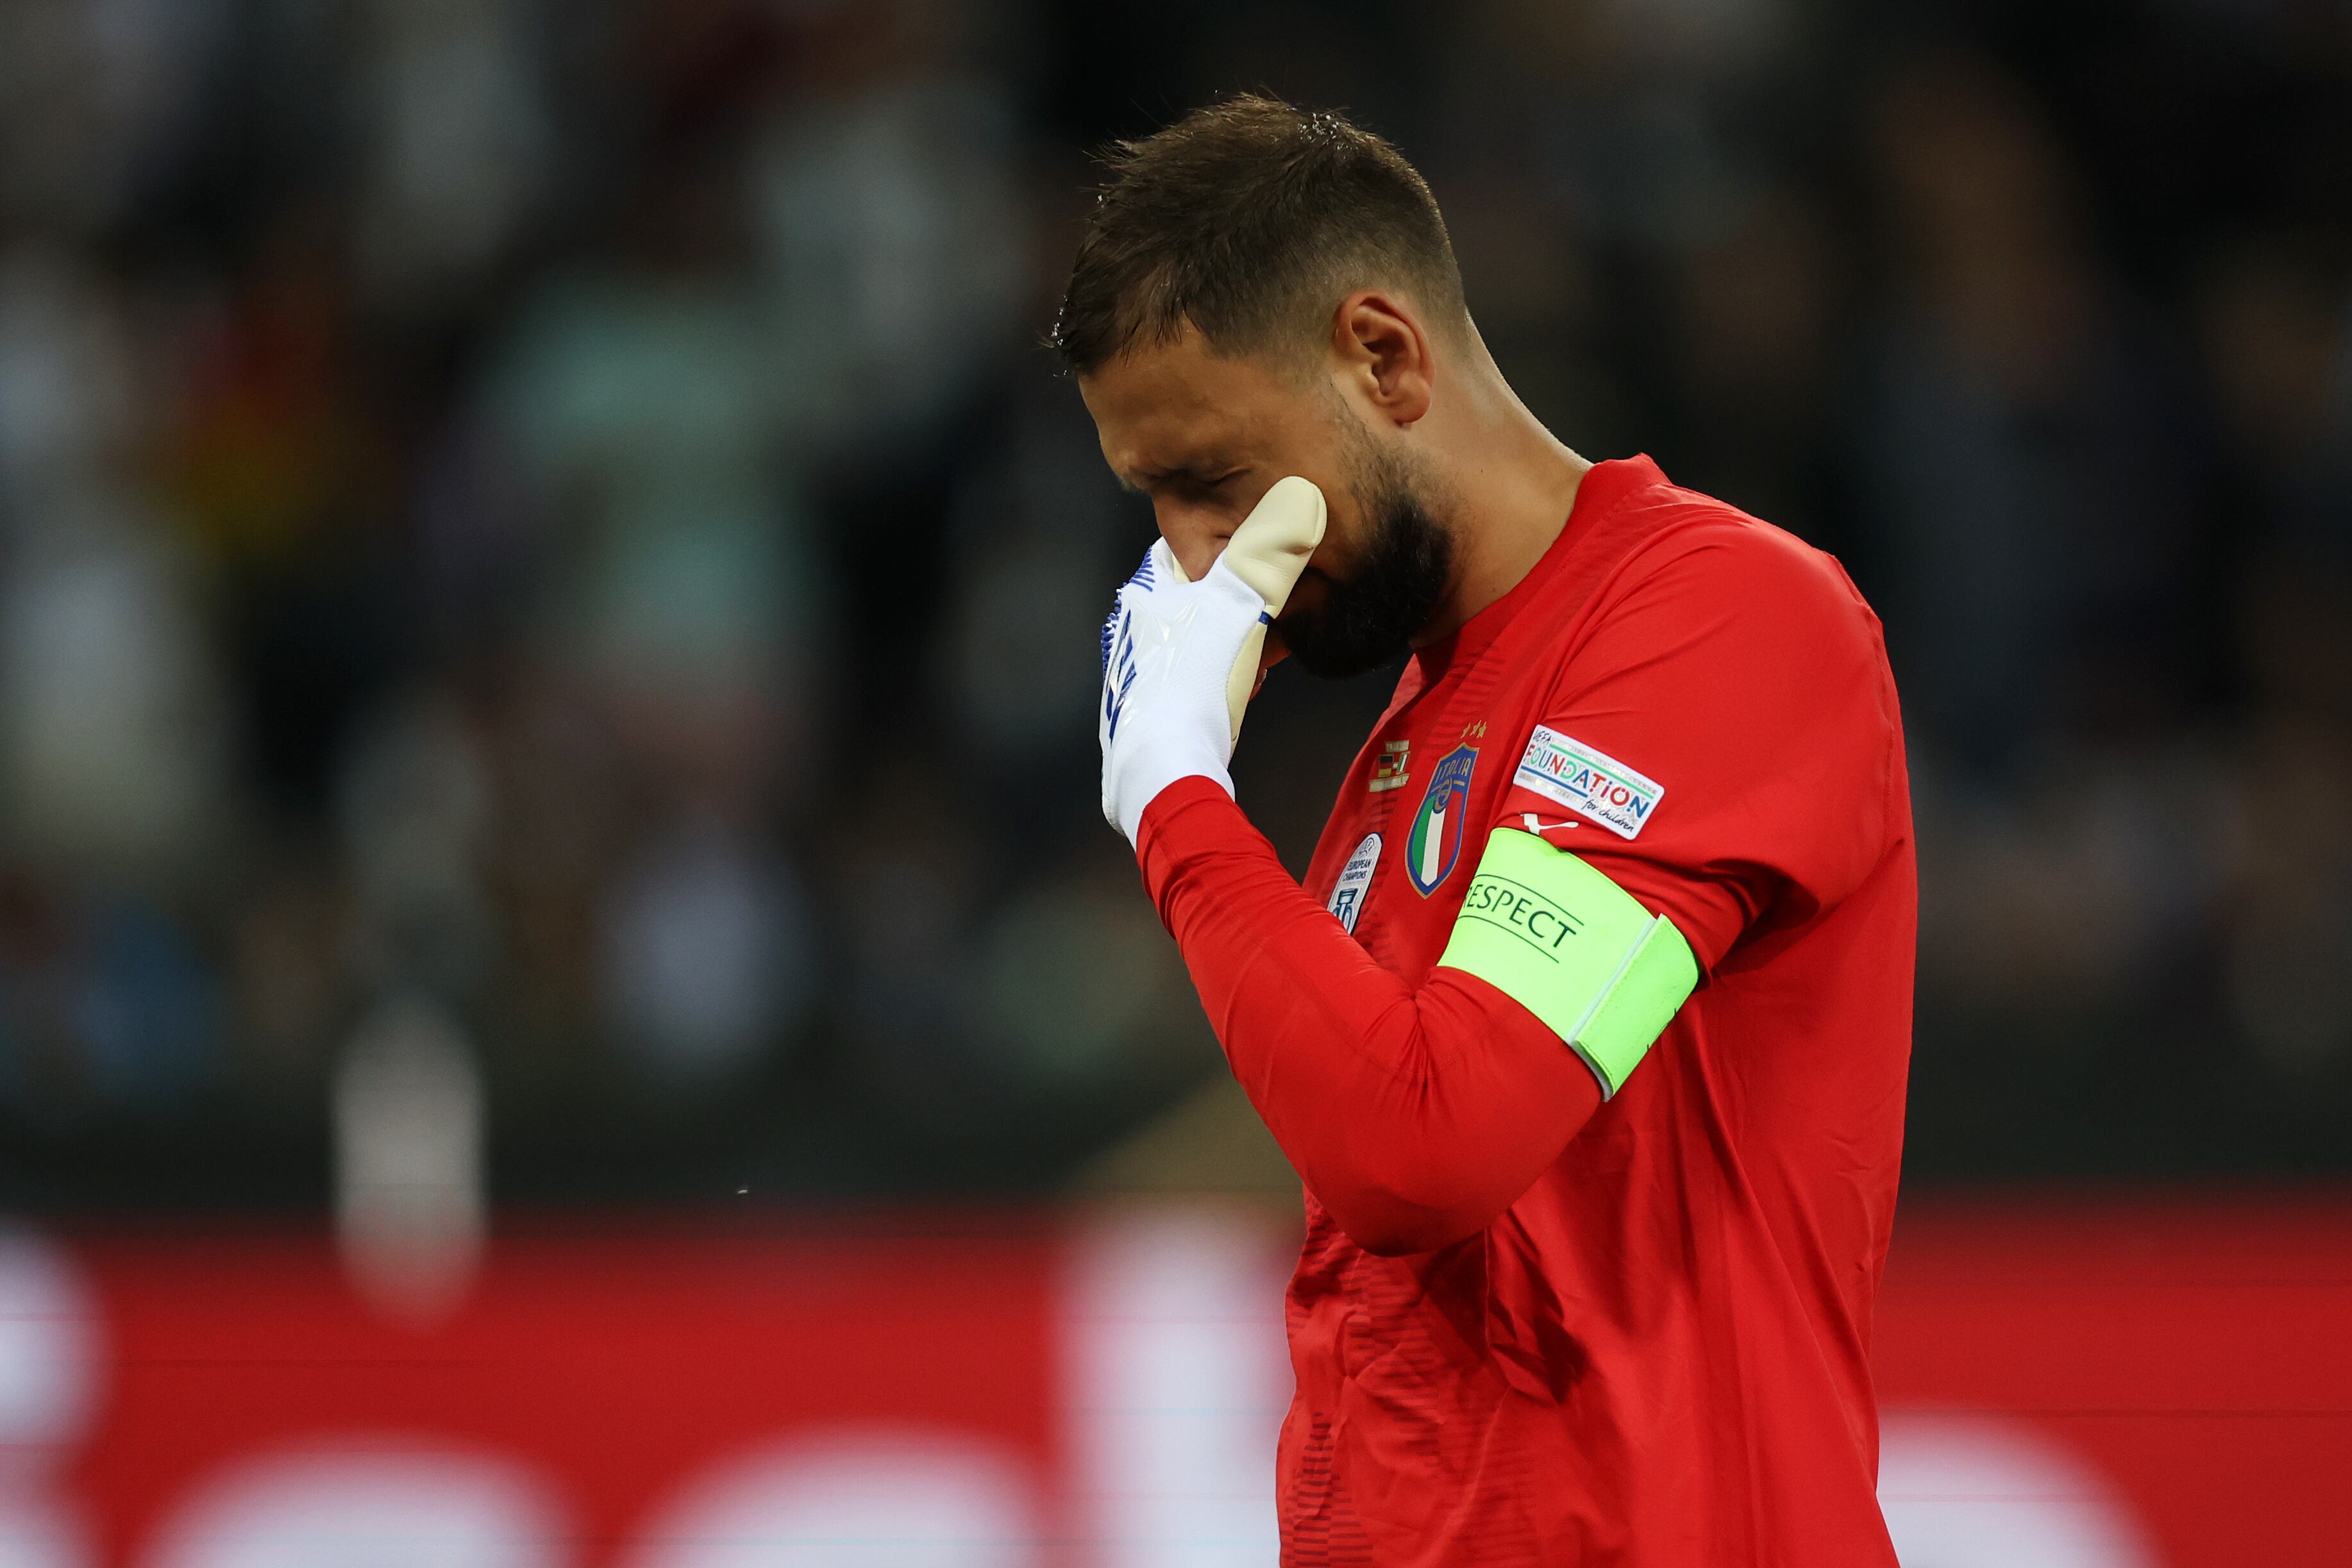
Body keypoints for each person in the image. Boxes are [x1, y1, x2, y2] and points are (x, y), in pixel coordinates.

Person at [1063, 97, 1914, 1565]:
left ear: (1382, 356)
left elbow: (1427, 1148)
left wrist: (1176, 799)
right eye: (1154, 504)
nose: (1192, 563)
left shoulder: (1726, 621)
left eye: (1208, 481)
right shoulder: (1409, 739)